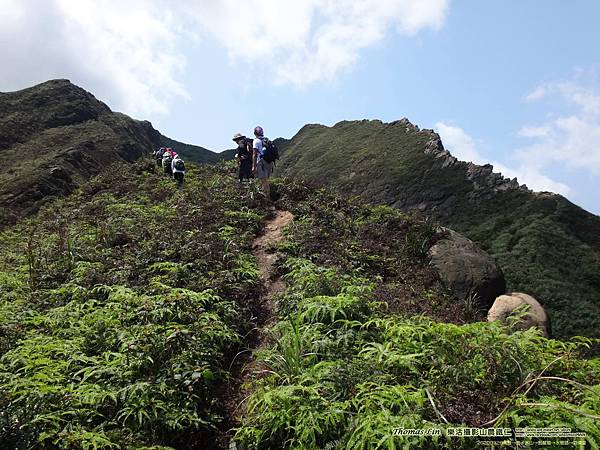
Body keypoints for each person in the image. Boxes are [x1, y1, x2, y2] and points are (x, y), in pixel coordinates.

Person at [252, 125, 272, 199]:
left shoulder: (256, 141)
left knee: (264, 181)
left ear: (255, 133)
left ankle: (267, 199)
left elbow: (254, 154)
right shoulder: (266, 140)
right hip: (269, 162)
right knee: (265, 181)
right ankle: (266, 196)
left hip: (261, 162)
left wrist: (253, 166)